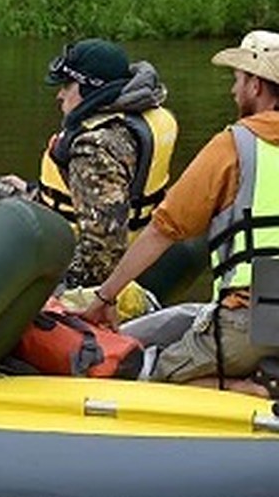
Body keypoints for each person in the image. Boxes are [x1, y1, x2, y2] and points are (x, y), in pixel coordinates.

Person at [81, 29, 279, 395]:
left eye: (237, 80)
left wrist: (105, 298)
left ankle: (250, 389)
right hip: (265, 322)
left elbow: (162, 230)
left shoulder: (234, 146)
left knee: (146, 375)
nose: (233, 91)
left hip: (248, 324)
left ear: (256, 85)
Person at [0, 38, 176, 290]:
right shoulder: (142, 117)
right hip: (117, 231)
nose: (59, 95)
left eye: (67, 86)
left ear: (91, 89)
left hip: (74, 256)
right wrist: (34, 189)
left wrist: (54, 286)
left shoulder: (95, 147)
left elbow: (103, 250)